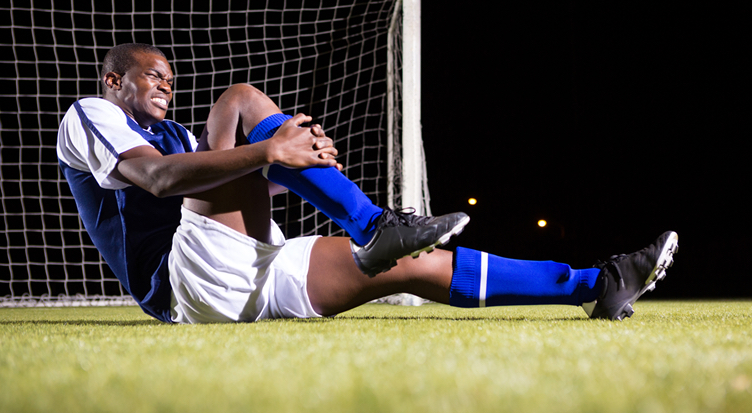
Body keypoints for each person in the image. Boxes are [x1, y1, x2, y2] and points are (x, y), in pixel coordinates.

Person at [57, 43, 678, 324]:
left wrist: (286, 165)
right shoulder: (92, 115)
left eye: (170, 79)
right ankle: (374, 223)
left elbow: (220, 191)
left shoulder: (182, 141)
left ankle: (600, 284)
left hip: (248, 272)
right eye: (154, 77)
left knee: (413, 267)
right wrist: (271, 148)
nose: (168, 86)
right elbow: (160, 181)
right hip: (184, 287)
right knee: (240, 101)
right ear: (115, 81)